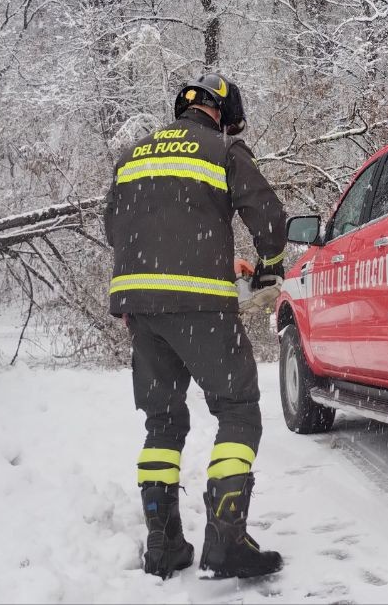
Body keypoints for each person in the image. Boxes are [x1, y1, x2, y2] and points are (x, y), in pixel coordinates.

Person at [104, 72, 287, 579]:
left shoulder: (131, 156)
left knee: (162, 421)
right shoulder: (223, 150)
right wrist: (270, 264)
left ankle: (162, 544)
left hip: (140, 307)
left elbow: (113, 228)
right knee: (238, 409)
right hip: (202, 306)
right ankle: (226, 538)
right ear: (224, 112)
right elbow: (269, 218)